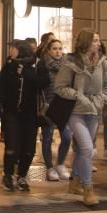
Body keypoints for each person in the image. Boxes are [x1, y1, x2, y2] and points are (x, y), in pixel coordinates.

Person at [54, 29, 107, 207]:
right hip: (75, 111)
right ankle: (88, 189)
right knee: (88, 148)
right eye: (95, 40)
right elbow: (60, 87)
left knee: (81, 150)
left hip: (94, 111)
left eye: (99, 40)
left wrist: (101, 100)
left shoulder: (103, 63)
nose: (98, 43)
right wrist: (79, 96)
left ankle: (75, 183)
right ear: (86, 42)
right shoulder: (70, 62)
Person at [0, 40, 47, 192]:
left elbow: (44, 82)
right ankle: (8, 175)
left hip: (31, 114)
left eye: (13, 48)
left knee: (29, 148)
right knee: (12, 146)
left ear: (21, 50)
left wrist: (27, 74)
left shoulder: (37, 64)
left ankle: (22, 176)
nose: (11, 51)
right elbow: (1, 87)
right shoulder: (9, 65)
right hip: (12, 113)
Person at [37, 38, 72, 181]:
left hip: (63, 106)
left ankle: (60, 164)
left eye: (60, 48)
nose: (58, 51)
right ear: (48, 51)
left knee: (67, 136)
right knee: (47, 138)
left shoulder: (67, 65)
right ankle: (50, 167)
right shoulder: (42, 65)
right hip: (48, 106)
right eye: (54, 49)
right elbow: (39, 87)